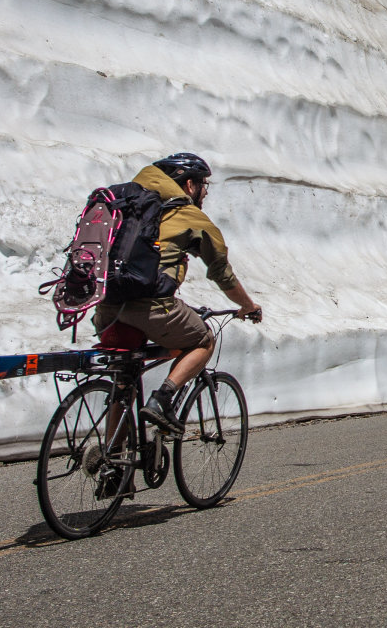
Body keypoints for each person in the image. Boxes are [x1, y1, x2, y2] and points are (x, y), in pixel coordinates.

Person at [92, 152, 261, 433]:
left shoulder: (126, 204)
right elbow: (221, 272)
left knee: (126, 382)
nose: (205, 191)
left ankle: (114, 466)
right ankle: (163, 399)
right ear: (189, 184)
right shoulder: (187, 214)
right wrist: (248, 305)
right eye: (204, 184)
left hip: (107, 309)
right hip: (152, 308)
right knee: (203, 339)